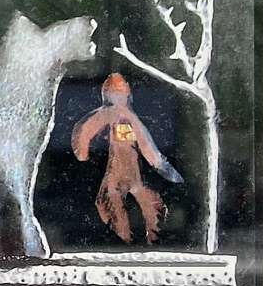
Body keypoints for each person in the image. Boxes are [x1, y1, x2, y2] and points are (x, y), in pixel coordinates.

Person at [72, 72, 184, 243]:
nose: (119, 99)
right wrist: (82, 152)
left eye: (121, 94)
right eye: (116, 94)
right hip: (116, 176)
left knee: (148, 208)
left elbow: (146, 145)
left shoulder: (129, 118)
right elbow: (86, 133)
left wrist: (160, 165)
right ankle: (125, 240)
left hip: (133, 177)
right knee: (116, 209)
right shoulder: (110, 116)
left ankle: (147, 240)